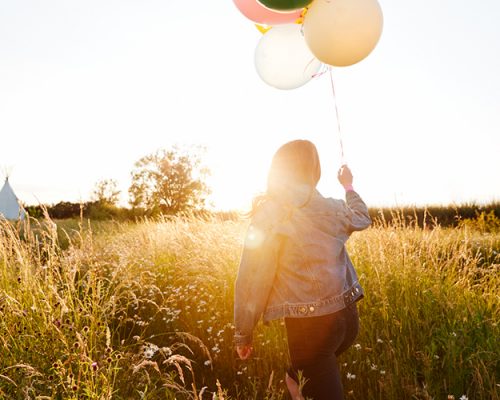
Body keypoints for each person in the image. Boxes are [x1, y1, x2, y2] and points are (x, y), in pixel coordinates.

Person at [233, 139, 371, 399]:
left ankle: (297, 382)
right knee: (304, 378)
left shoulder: (270, 214)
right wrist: (348, 186)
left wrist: (244, 332)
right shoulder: (334, 207)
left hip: (311, 331)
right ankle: (296, 384)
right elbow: (362, 217)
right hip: (347, 321)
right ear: (314, 169)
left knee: (312, 374)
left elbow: (252, 277)